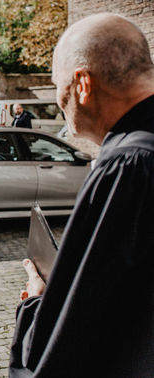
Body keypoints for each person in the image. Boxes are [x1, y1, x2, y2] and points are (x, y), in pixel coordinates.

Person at [10, 13, 154, 377]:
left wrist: (38, 301)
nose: (60, 100)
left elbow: (75, 335)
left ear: (82, 84)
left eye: (58, 86)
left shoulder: (128, 165)